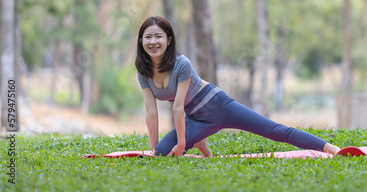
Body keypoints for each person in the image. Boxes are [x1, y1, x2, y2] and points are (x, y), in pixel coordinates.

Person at [135, 16, 341, 157]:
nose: (153, 41)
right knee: (162, 154)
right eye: (148, 37)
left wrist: (181, 145)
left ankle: (331, 148)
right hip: (196, 118)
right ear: (141, 40)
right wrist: (153, 149)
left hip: (218, 106)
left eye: (158, 36)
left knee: (275, 131)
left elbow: (178, 107)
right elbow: (150, 111)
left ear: (169, 40)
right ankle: (200, 140)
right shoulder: (143, 69)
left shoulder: (181, 64)